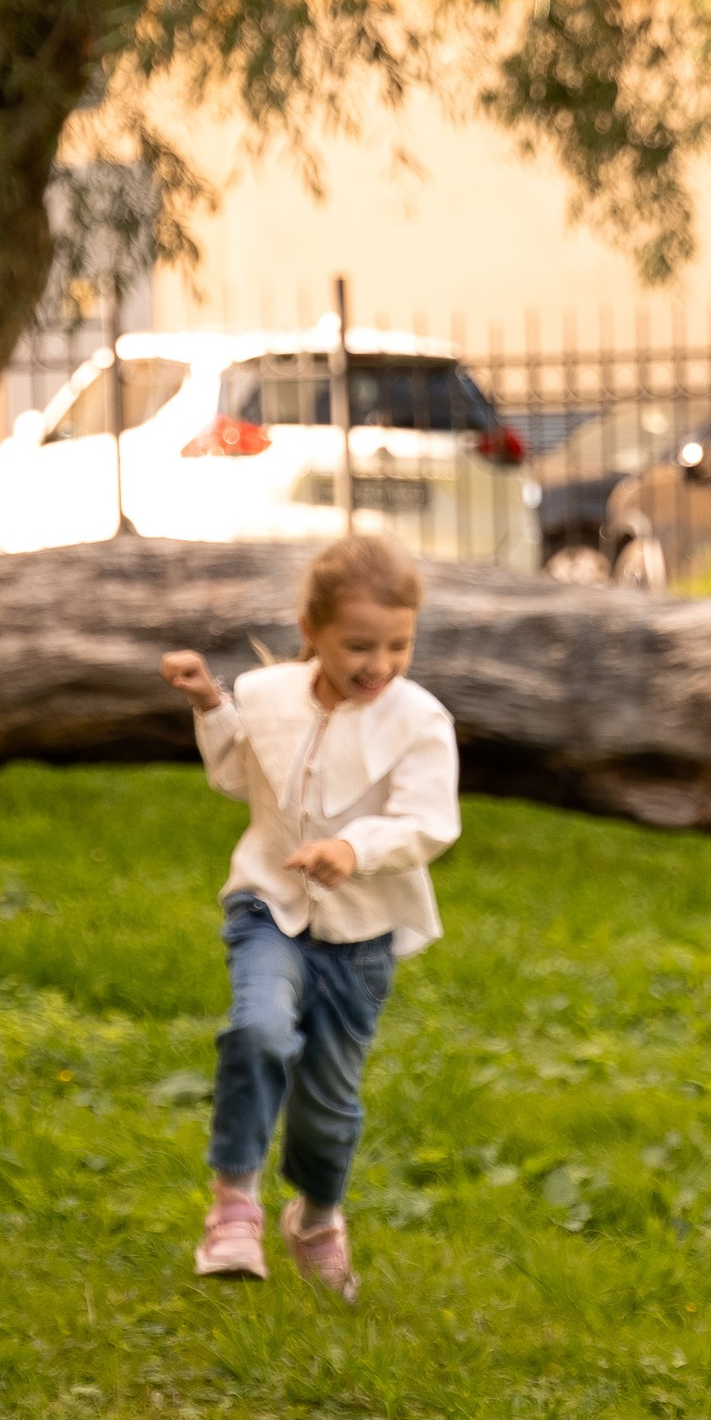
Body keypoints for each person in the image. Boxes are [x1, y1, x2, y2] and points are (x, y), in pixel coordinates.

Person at [160, 531, 458, 1300]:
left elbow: (431, 821)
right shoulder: (267, 696)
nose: (379, 665)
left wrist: (355, 849)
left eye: (399, 645)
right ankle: (233, 1206)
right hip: (269, 901)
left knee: (328, 1106)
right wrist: (209, 704)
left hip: (361, 937)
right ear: (312, 630)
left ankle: (318, 1217)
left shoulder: (419, 721)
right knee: (258, 1028)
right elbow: (236, 775)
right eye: (359, 644)